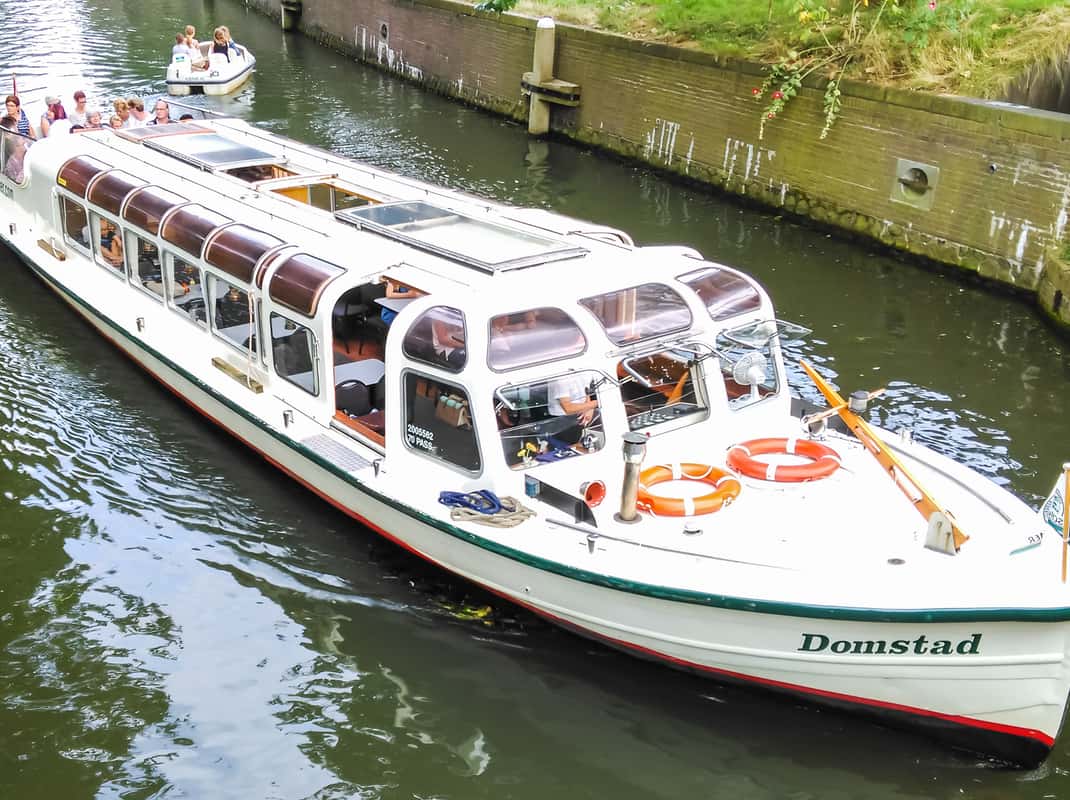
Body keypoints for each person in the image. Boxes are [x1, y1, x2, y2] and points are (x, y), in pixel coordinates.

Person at [547, 372, 598, 443]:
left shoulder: (584, 370)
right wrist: (596, 403)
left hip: (581, 415)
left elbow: (586, 390)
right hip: (561, 422)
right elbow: (568, 408)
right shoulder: (561, 377)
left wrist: (589, 407)